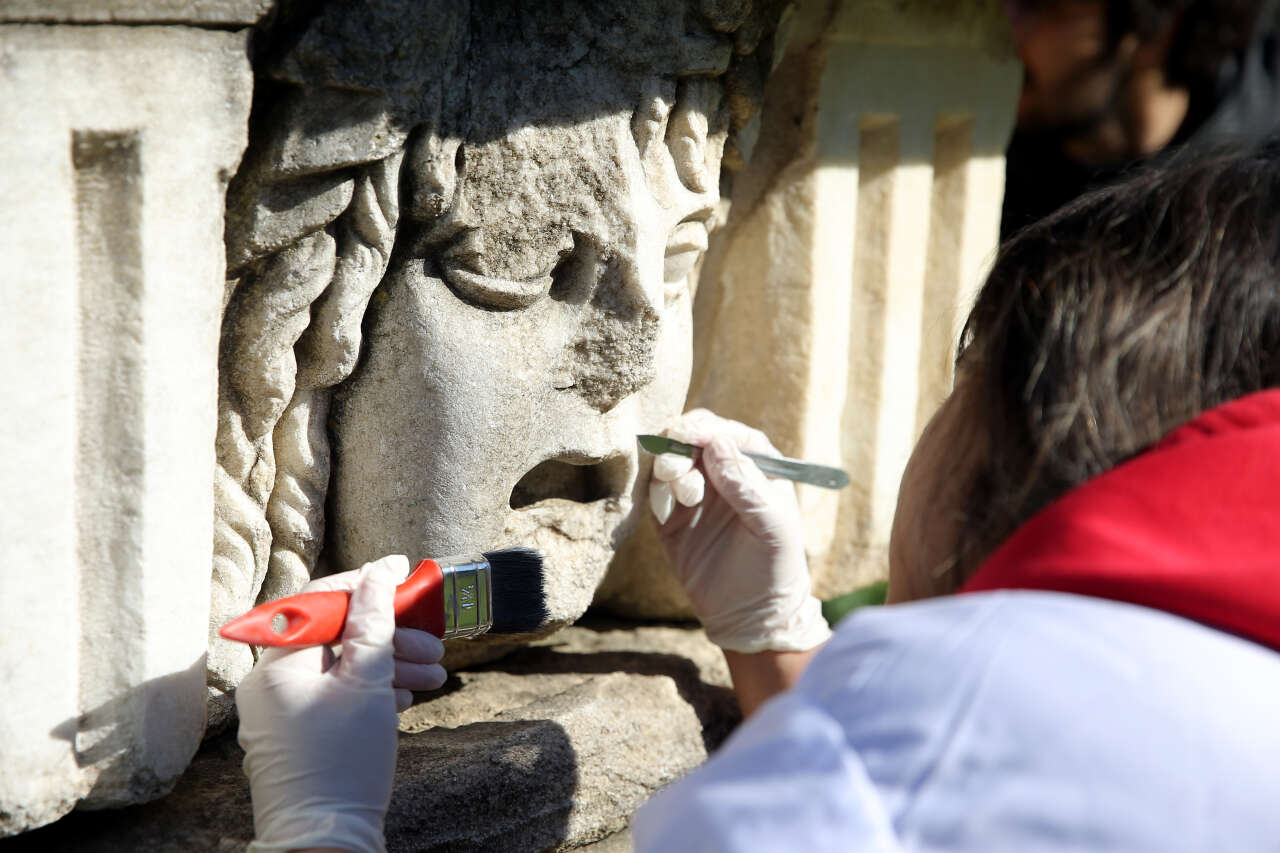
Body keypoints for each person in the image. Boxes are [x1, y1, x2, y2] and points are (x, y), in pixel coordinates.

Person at [236, 142, 1280, 851]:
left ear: (1021, 440)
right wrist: (776, 644)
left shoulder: (931, 724)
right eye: (512, 266)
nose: (624, 355)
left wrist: (321, 823)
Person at [1001, 0, 1280, 239]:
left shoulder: (1262, 196)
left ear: (1156, 32)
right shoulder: (987, 167)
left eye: (1040, 5)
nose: (1005, 25)